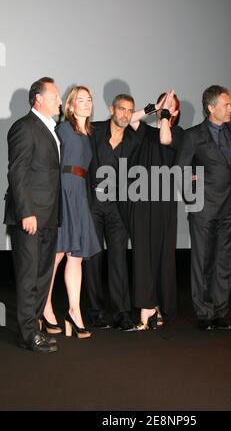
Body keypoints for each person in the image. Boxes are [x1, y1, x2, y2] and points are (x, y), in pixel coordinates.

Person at [4, 77, 61, 352]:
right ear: (38, 98)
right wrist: (26, 212)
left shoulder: (51, 128)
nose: (60, 101)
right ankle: (28, 334)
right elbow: (17, 172)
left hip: (49, 215)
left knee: (42, 276)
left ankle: (32, 328)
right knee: (29, 277)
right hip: (31, 217)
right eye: (55, 96)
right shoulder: (24, 128)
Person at [176, 85, 231, 331]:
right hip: (204, 208)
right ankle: (204, 313)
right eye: (226, 104)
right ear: (211, 107)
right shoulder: (193, 135)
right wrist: (194, 201)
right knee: (202, 260)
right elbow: (181, 171)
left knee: (225, 260)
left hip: (230, 207)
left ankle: (220, 311)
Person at [42, 86, 101, 339]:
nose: (86, 104)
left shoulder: (89, 132)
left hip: (80, 193)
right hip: (64, 191)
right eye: (81, 100)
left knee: (75, 257)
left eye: (89, 100)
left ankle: (74, 312)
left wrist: (151, 109)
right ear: (70, 105)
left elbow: (125, 119)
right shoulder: (63, 129)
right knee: (55, 256)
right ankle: (43, 309)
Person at [84, 94, 141, 331]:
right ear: (111, 109)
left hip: (119, 207)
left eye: (130, 110)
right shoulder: (93, 131)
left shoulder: (135, 140)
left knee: (119, 259)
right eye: (121, 109)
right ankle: (96, 312)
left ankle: (122, 313)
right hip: (93, 203)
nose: (125, 114)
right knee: (94, 259)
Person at [129, 91, 184, 329]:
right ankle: (146, 306)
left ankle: (161, 306)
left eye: (171, 107)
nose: (166, 109)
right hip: (141, 201)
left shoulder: (180, 134)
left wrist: (164, 117)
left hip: (164, 203)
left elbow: (165, 139)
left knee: (163, 253)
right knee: (142, 254)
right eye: (165, 105)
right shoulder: (145, 132)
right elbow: (129, 119)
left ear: (177, 113)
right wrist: (154, 107)